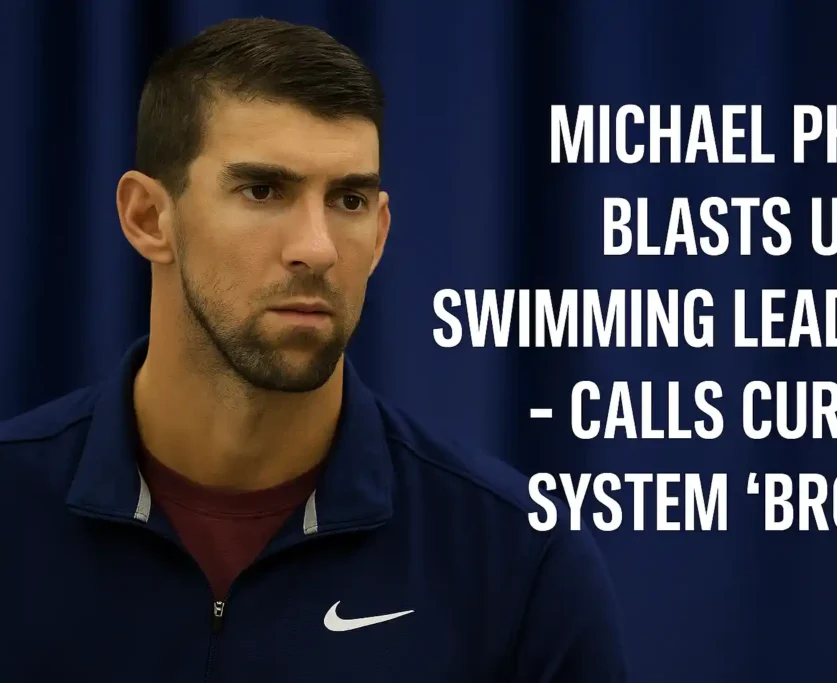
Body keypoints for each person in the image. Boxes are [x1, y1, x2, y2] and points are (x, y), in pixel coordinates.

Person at [0, 16, 627, 682]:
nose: (318, 247)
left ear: (381, 233)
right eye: (264, 190)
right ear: (148, 218)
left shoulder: (517, 561)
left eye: (348, 199)